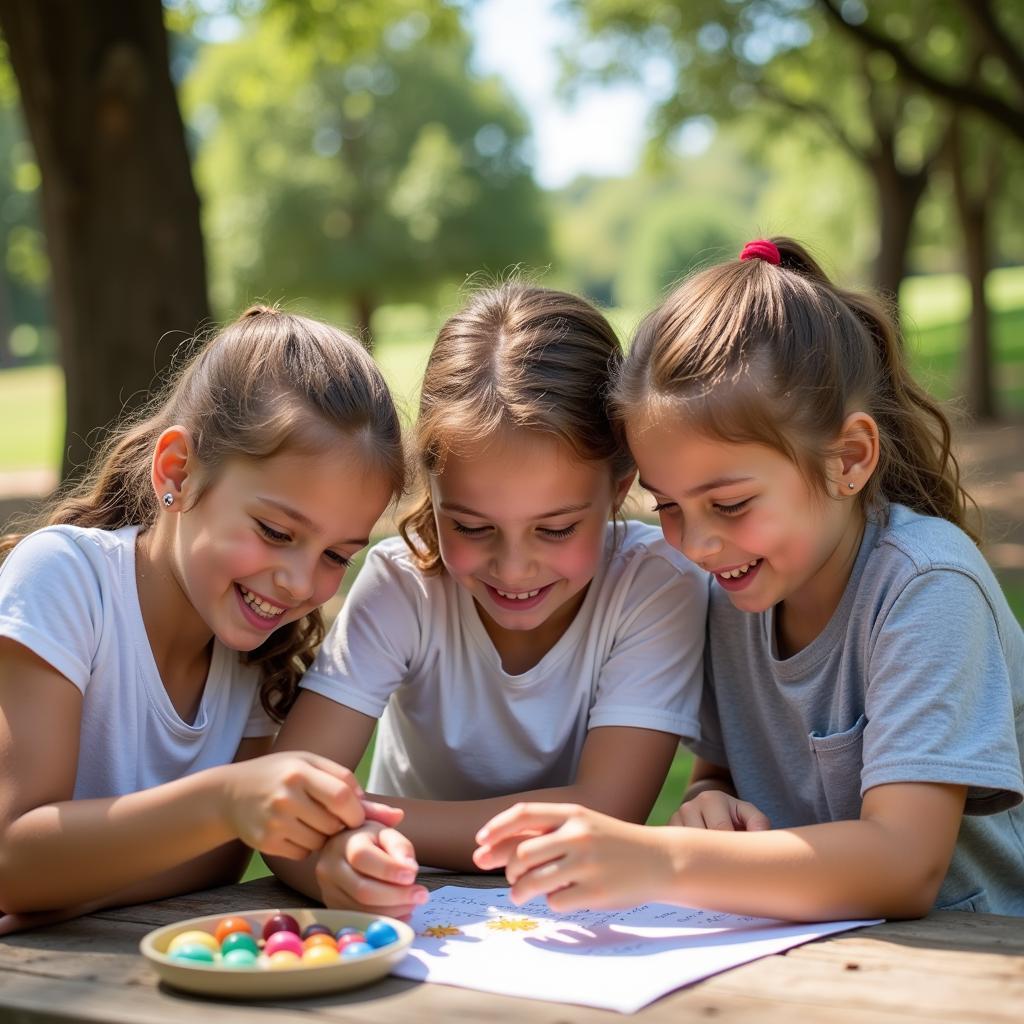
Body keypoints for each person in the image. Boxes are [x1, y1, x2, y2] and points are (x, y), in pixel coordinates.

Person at [473, 238, 1024, 921]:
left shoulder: (927, 589)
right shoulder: (731, 594)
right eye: (668, 506)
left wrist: (663, 859)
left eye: (730, 505)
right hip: (802, 958)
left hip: (965, 966)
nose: (697, 544)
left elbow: (905, 863)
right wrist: (709, 799)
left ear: (848, 458)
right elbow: (725, 764)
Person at [269, 282, 707, 916]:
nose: (515, 566)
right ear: (432, 487)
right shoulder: (401, 584)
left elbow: (607, 810)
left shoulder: (656, 586)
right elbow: (287, 803)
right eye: (472, 528)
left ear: (619, 489)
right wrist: (337, 862)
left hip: (575, 923)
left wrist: (364, 823)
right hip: (413, 911)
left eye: (556, 529)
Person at [0, 306, 406, 930]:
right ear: (178, 473)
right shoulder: (63, 579)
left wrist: (73, 895)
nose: (299, 583)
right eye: (275, 531)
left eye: (336, 555)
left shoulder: (255, 650)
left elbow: (219, 860)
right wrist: (225, 800)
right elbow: (11, 857)